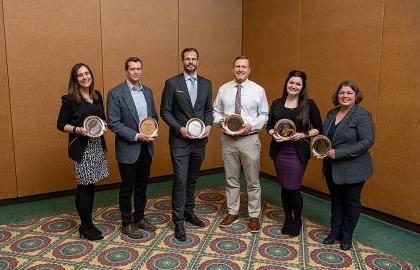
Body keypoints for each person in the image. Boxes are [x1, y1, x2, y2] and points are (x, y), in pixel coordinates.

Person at [160, 48, 213, 242]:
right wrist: (179, 129)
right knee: (181, 180)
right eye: (187, 59)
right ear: (182, 61)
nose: (190, 62)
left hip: (200, 142)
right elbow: (165, 111)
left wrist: (208, 125)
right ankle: (179, 221)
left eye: (193, 59)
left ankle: (189, 212)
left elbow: (208, 109)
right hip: (180, 141)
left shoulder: (207, 83)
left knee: (192, 179)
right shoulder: (172, 83)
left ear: (198, 61)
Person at [213, 56, 269, 233]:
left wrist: (252, 125)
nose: (240, 69)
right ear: (233, 69)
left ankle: (254, 216)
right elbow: (215, 111)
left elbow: (264, 114)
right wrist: (221, 123)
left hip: (249, 139)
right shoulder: (223, 89)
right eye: (237, 66)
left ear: (249, 70)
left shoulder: (258, 90)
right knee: (231, 178)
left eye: (244, 67)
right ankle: (233, 212)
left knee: (253, 180)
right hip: (228, 140)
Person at [107, 57, 159, 239]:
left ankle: (140, 218)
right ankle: (126, 223)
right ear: (126, 71)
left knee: (142, 186)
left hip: (147, 147)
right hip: (128, 148)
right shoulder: (115, 93)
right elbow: (113, 123)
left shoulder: (148, 92)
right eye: (132, 69)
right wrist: (137, 136)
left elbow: (153, 117)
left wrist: (153, 131)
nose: (136, 72)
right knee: (127, 187)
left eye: (139, 69)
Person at [266, 70, 322, 237]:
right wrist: (272, 134)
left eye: (298, 84)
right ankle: (287, 219)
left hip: (297, 153)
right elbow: (269, 125)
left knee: (293, 188)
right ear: (286, 84)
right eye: (291, 82)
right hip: (279, 152)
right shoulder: (276, 103)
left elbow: (319, 128)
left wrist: (303, 135)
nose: (294, 86)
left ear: (302, 87)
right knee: (284, 187)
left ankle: (297, 219)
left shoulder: (309, 104)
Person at [57, 63, 109, 241]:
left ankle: (88, 223)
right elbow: (60, 124)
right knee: (84, 186)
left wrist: (104, 125)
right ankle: (85, 226)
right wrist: (78, 130)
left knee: (91, 184)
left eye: (87, 73)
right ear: (75, 79)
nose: (85, 77)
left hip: (96, 145)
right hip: (82, 147)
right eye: (80, 75)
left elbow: (101, 118)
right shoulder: (70, 99)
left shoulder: (97, 95)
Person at [321, 81, 374, 250]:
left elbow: (367, 141)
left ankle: (347, 235)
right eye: (342, 93)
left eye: (349, 93)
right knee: (336, 200)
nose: (345, 96)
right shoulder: (331, 113)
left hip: (353, 169)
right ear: (337, 95)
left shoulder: (362, 115)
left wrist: (339, 153)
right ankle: (334, 232)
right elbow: (325, 137)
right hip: (331, 167)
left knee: (351, 202)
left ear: (356, 96)